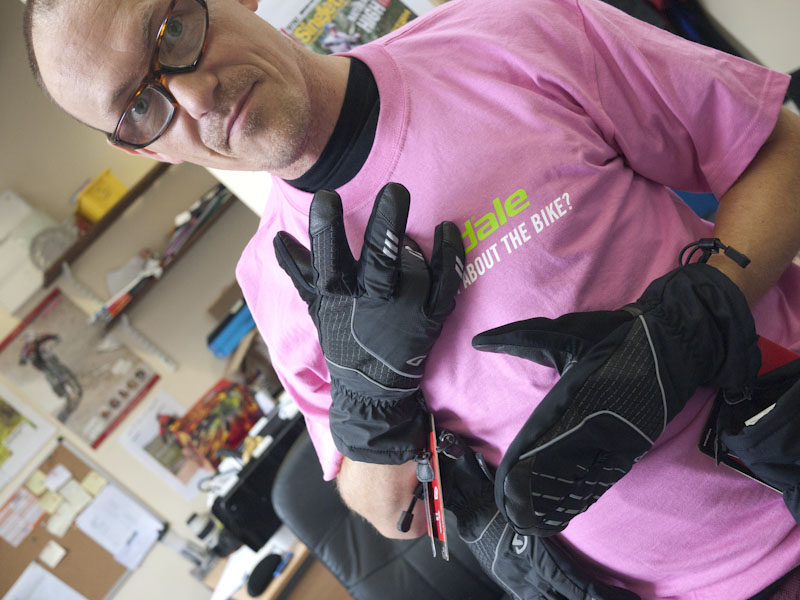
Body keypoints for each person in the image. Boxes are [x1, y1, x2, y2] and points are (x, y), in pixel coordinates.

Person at [23, 0, 800, 596]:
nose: (194, 93)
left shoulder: (512, 35)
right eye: (140, 106)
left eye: (171, 31)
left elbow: (778, 146)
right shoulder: (276, 281)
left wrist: (700, 311)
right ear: (145, 147)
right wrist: (371, 407)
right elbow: (393, 512)